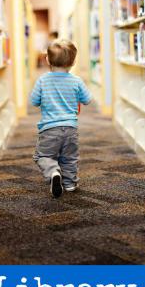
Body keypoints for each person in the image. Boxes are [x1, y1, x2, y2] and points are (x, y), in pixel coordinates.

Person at [30, 39, 92, 198]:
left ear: (47, 60)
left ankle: (53, 172)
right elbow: (87, 99)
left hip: (49, 129)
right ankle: (70, 184)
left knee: (42, 156)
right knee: (70, 157)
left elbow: (33, 101)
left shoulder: (43, 80)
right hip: (71, 129)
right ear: (73, 62)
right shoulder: (76, 81)